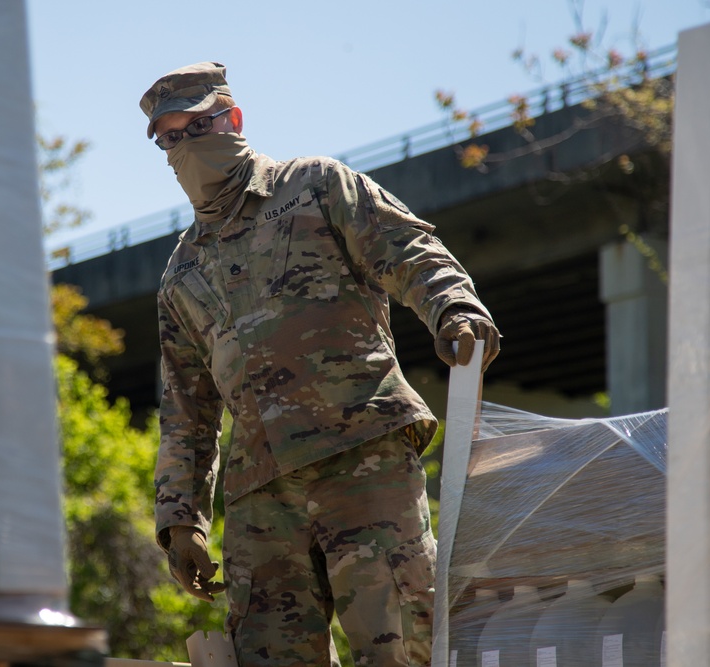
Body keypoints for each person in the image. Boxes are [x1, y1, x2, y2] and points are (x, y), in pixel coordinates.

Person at [141, 61, 500, 667]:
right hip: (261, 496)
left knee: (401, 648)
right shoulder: (181, 274)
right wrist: (182, 520)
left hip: (360, 459)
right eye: (169, 138)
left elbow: (409, 248)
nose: (184, 147)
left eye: (197, 127)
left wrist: (454, 309)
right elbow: (186, 412)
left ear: (233, 119)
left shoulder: (313, 187)